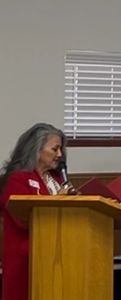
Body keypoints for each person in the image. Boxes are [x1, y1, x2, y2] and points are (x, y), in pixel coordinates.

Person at [0, 123, 69, 300]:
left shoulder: (56, 179)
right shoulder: (18, 179)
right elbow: (23, 220)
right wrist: (58, 201)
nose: (60, 155)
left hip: (57, 258)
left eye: (60, 149)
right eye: (55, 149)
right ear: (36, 149)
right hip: (26, 260)